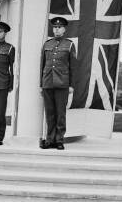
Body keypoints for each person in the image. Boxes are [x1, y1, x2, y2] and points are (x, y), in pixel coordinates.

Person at [40, 16, 75, 150]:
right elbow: (42, 66)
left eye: (59, 27)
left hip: (62, 83)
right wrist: (40, 84)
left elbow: (73, 66)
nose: (56, 30)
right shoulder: (47, 44)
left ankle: (59, 140)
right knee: (50, 113)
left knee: (60, 113)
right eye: (54, 27)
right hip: (47, 82)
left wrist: (71, 85)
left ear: (64, 29)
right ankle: (50, 140)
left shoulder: (69, 44)